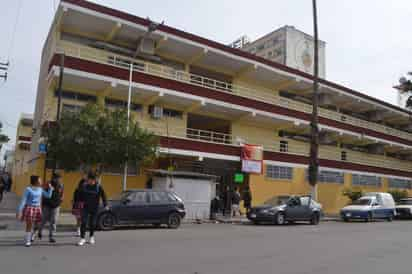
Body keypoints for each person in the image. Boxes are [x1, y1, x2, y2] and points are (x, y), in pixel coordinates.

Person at [16, 175, 53, 247]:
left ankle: (33, 235)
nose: (41, 181)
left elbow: (48, 196)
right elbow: (23, 200)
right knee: (29, 225)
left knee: (38, 224)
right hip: (30, 208)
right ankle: (28, 240)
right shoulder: (28, 189)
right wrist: (19, 211)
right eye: (40, 180)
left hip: (38, 208)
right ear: (36, 181)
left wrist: (50, 189)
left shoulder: (40, 189)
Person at [77, 173, 108, 246]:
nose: (89, 181)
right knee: (83, 222)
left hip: (94, 208)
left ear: (94, 180)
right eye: (88, 179)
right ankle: (82, 238)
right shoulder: (84, 186)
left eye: (90, 180)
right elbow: (79, 194)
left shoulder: (98, 187)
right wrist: (78, 202)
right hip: (85, 207)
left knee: (92, 223)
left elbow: (103, 196)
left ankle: (91, 237)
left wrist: (105, 205)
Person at [35, 173, 64, 243]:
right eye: (57, 178)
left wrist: (61, 200)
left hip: (56, 206)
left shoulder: (61, 185)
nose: (58, 180)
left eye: (59, 178)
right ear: (53, 178)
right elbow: (43, 193)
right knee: (43, 220)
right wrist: (41, 205)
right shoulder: (48, 184)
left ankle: (51, 236)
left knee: (53, 221)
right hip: (47, 205)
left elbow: (62, 194)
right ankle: (39, 231)